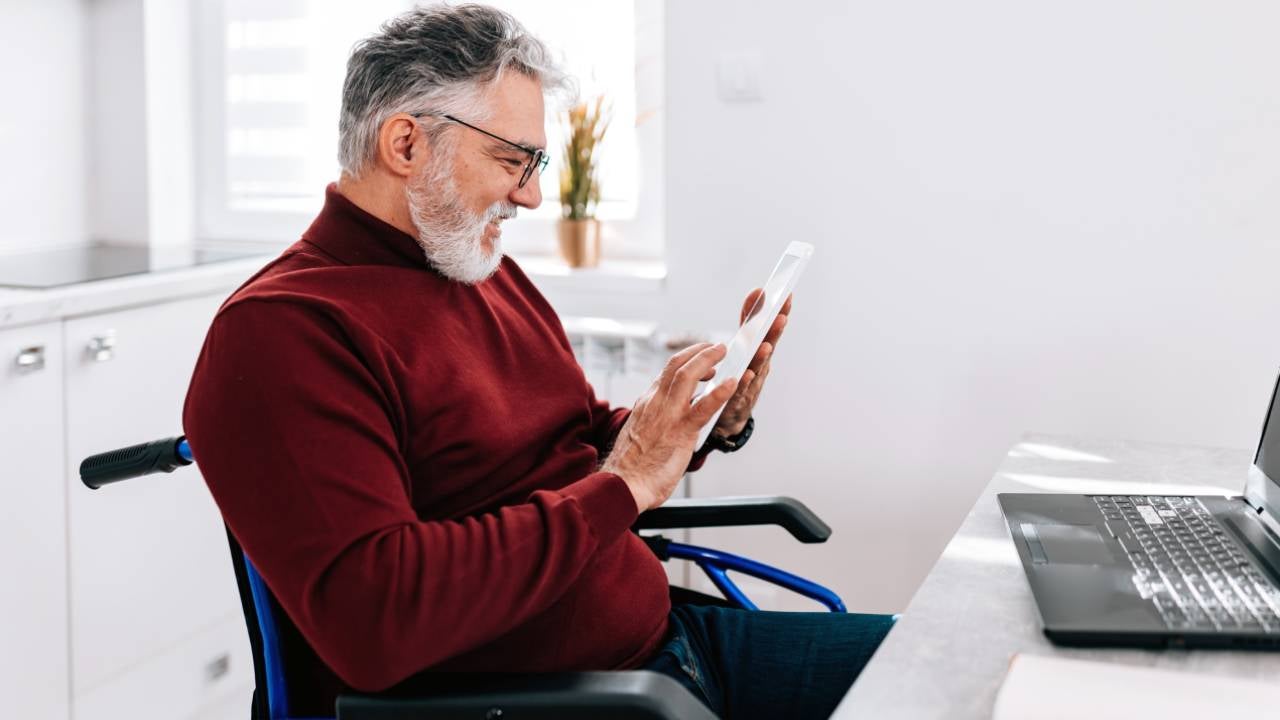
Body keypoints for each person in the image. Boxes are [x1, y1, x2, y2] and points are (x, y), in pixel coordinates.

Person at [183, 4, 891, 718]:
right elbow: (378, 622)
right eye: (511, 159)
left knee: (958, 674)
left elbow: (577, 438)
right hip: (561, 701)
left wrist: (700, 424)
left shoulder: (476, 269)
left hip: (668, 646)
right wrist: (626, 483)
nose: (532, 193)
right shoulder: (284, 333)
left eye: (537, 162)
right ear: (405, 144)